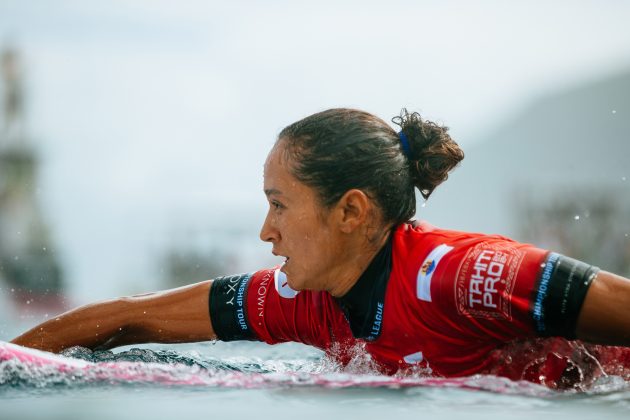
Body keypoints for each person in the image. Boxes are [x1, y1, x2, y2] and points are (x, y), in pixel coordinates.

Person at [11, 108, 630, 388]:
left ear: (351, 212)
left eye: (279, 204)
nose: (265, 231)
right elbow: (122, 320)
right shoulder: (301, 299)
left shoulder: (460, 276)